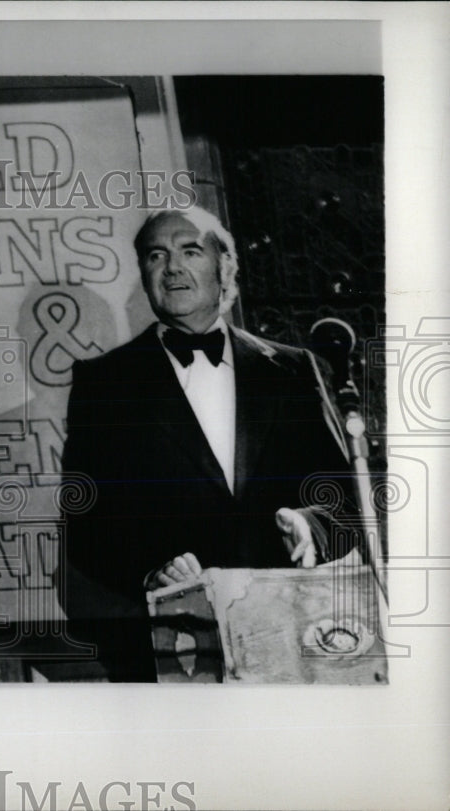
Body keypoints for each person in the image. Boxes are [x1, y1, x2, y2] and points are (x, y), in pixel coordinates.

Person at [59, 206, 356, 680]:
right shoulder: (104, 384)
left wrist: (310, 525)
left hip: (292, 638)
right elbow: (88, 524)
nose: (172, 267)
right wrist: (150, 572)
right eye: (157, 255)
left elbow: (347, 501)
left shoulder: (295, 370)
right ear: (145, 273)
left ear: (225, 268)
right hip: (171, 650)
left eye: (190, 250)